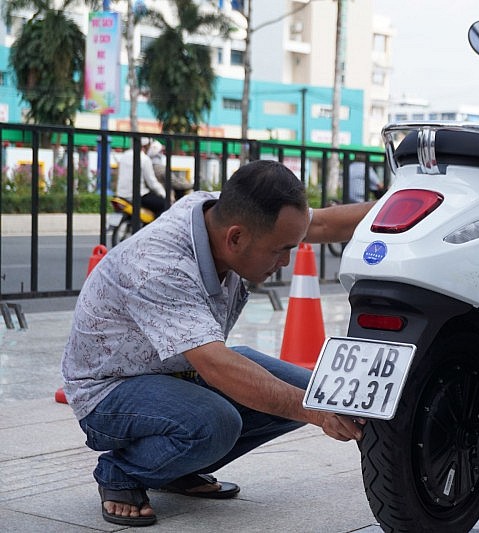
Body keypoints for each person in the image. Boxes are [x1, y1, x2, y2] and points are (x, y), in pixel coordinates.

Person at [61, 160, 373, 527]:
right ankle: (122, 472)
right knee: (218, 421)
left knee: (309, 390)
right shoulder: (160, 265)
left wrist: (411, 201)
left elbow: (319, 223)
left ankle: (172, 469)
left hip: (176, 369)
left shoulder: (221, 212)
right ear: (236, 238)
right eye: (279, 250)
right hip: (110, 390)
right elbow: (215, 365)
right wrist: (317, 414)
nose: (286, 262)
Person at [115, 137, 168, 217]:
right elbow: (152, 182)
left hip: (121, 195)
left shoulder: (124, 155)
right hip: (137, 196)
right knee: (164, 204)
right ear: (147, 145)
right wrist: (163, 194)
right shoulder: (145, 159)